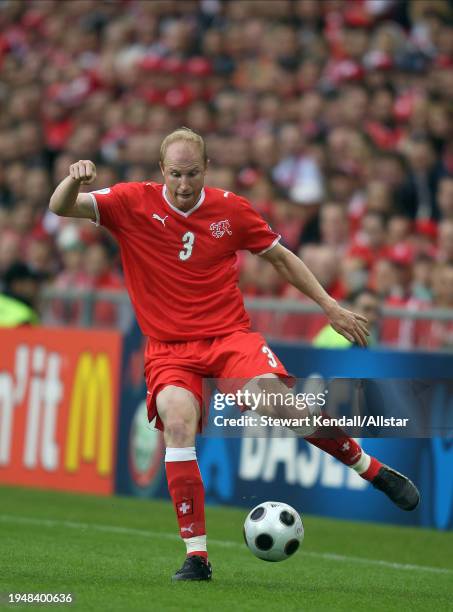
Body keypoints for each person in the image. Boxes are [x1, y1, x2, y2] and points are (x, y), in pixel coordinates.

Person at [49, 128, 419, 582]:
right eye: (176, 174)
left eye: (192, 174)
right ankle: (197, 556)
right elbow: (61, 206)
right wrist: (74, 179)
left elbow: (282, 259)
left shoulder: (231, 209)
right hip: (169, 348)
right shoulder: (130, 201)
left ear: (206, 169)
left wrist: (330, 307)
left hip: (228, 337)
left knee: (280, 403)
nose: (184, 185)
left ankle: (371, 469)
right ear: (161, 171)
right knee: (177, 421)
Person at [313, 289, 381, 348]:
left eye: (376, 311)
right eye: (367, 309)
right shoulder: (336, 337)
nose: (373, 316)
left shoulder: (369, 340)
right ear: (350, 309)